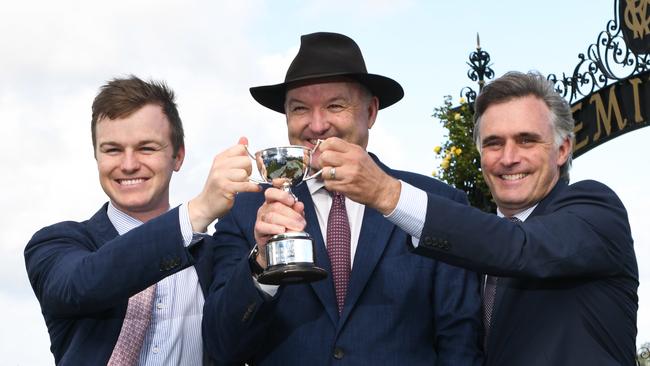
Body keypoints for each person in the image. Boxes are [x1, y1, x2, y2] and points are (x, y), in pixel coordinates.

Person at [319, 71, 638, 365]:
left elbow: (517, 248)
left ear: (562, 149)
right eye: (494, 143)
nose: (509, 158)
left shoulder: (597, 211)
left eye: (526, 140)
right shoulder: (470, 246)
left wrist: (388, 194)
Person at [202, 32, 483, 365]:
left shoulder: (433, 204)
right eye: (300, 109)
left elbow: (461, 343)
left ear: (371, 111)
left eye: (335, 105)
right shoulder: (246, 210)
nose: (317, 124)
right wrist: (261, 264)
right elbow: (221, 345)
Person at [24, 76, 259, 365]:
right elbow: (83, 285)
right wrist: (197, 211)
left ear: (178, 156)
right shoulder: (54, 245)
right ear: (96, 156)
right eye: (112, 150)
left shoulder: (218, 255)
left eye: (146, 148)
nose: (129, 164)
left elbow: (245, 336)